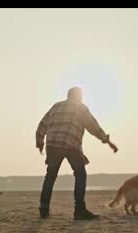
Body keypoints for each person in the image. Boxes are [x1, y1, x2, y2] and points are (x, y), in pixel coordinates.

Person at [36, 87, 118, 220]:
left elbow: (42, 124)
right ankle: (79, 209)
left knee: (50, 176)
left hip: (52, 144)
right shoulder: (81, 108)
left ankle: (43, 208)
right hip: (70, 143)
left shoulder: (56, 106)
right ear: (79, 96)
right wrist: (108, 142)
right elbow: (93, 127)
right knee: (80, 174)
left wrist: (39, 142)